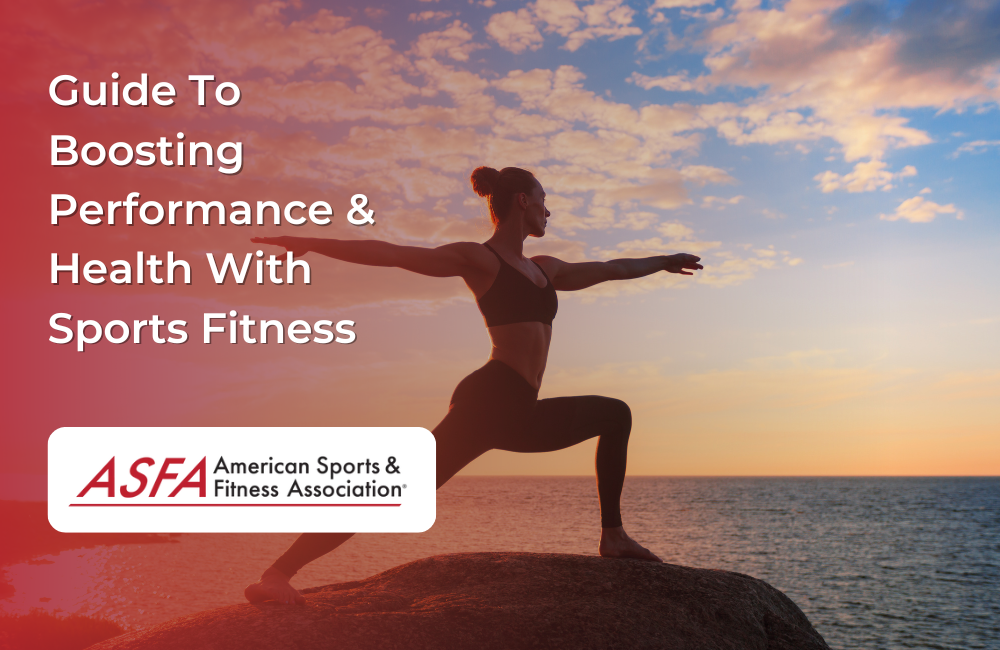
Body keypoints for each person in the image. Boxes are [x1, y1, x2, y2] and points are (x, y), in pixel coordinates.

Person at [244, 166, 703, 605]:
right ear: (522, 201)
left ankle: (613, 536)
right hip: (489, 402)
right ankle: (276, 575)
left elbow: (611, 268)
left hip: (522, 410)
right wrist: (309, 242)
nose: (549, 211)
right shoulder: (479, 259)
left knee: (614, 413)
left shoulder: (547, 269)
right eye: (545, 201)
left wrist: (665, 261)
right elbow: (393, 253)